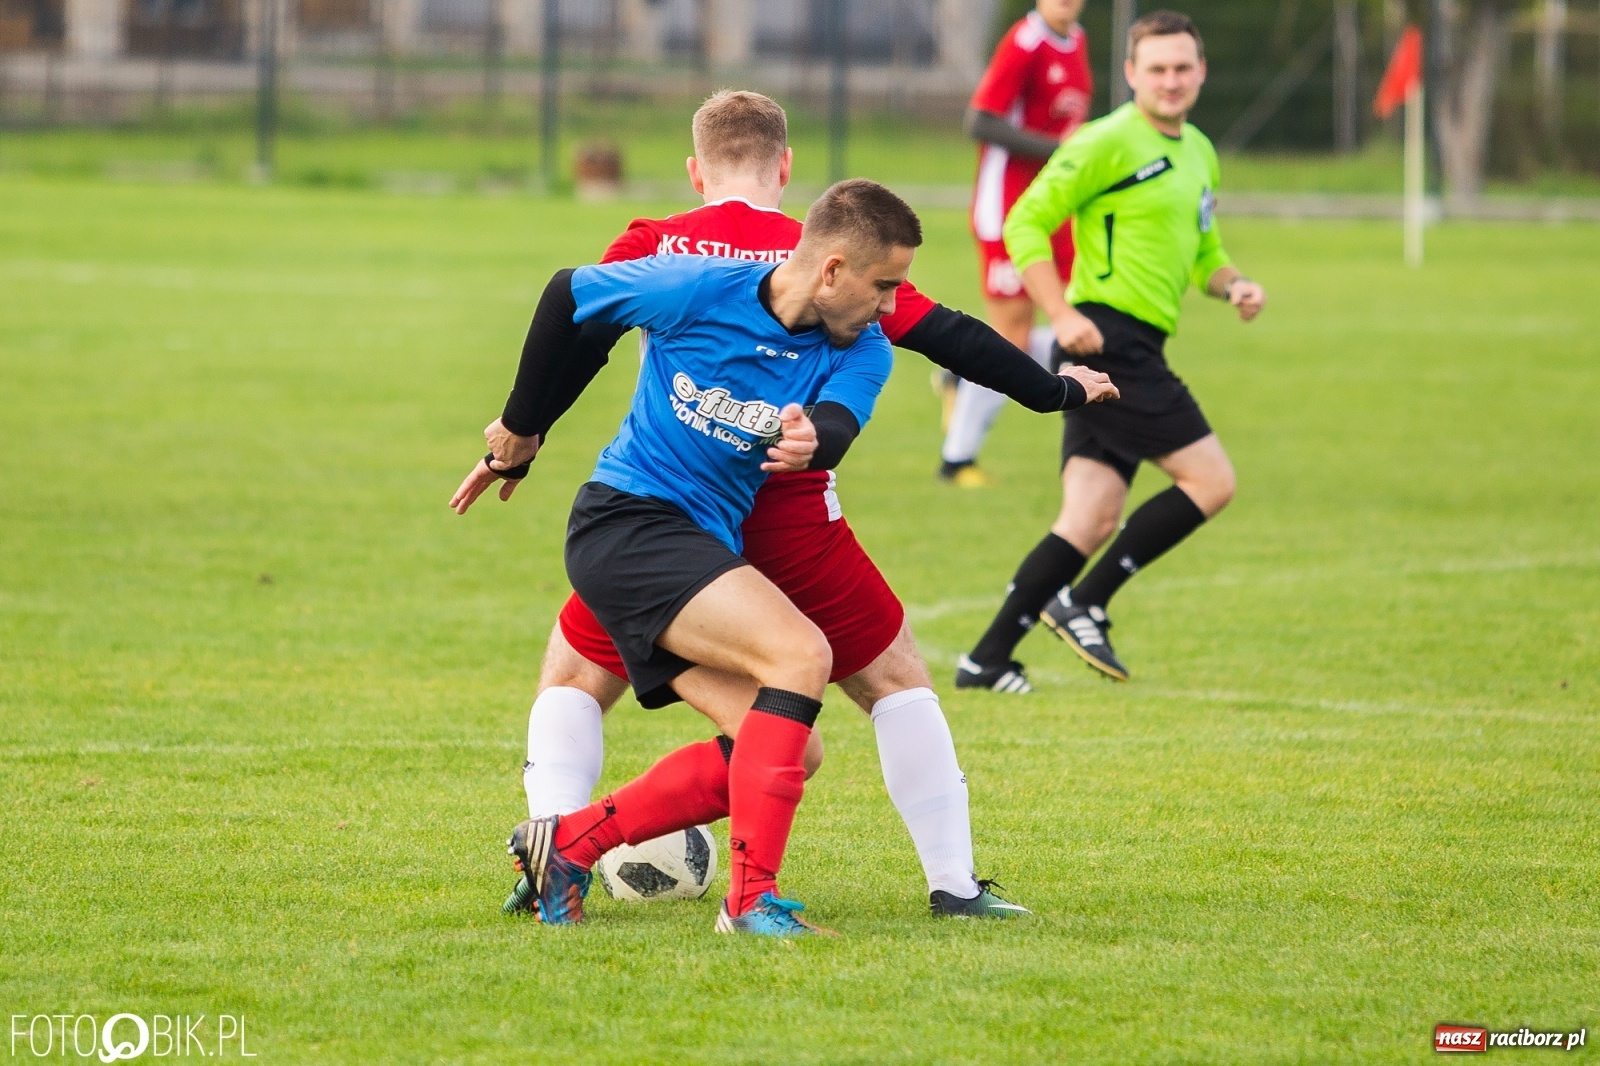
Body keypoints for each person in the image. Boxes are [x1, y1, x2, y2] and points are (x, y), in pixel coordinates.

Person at [451, 92, 1115, 925]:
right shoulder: (815, 261)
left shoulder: (664, 244)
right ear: (790, 173)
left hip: (691, 515)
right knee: (888, 672)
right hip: (746, 518)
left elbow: (581, 328)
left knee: (581, 668)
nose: (884, 300)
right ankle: (945, 883)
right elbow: (949, 332)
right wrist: (1052, 391)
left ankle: (558, 842)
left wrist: (520, 434)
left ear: (696, 171)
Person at [957, 10, 1267, 690]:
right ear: (1131, 74)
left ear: (1201, 72)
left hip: (1137, 338)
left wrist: (1234, 283)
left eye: (1183, 67)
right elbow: (1026, 221)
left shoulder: (1201, 151)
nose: (1171, 80)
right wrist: (1061, 312)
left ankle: (984, 660)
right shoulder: (1105, 141)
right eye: (1156, 68)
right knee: (1212, 482)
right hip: (1107, 339)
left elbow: (1204, 251)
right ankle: (1086, 602)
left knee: (1090, 516)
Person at [939, 0, 1094, 488]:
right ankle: (956, 460)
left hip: (1053, 209)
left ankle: (959, 376)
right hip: (1006, 209)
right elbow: (980, 122)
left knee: (1071, 316)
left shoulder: (1078, 41)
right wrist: (1063, 151)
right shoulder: (1025, 43)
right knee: (1015, 335)